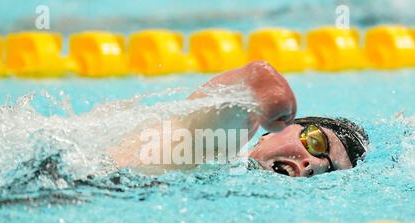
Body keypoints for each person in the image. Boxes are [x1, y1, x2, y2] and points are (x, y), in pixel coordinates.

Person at [108, 61, 368, 177]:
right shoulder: (230, 149)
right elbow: (199, 129)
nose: (314, 165)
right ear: (275, 131)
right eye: (316, 142)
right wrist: (256, 84)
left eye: (329, 171)